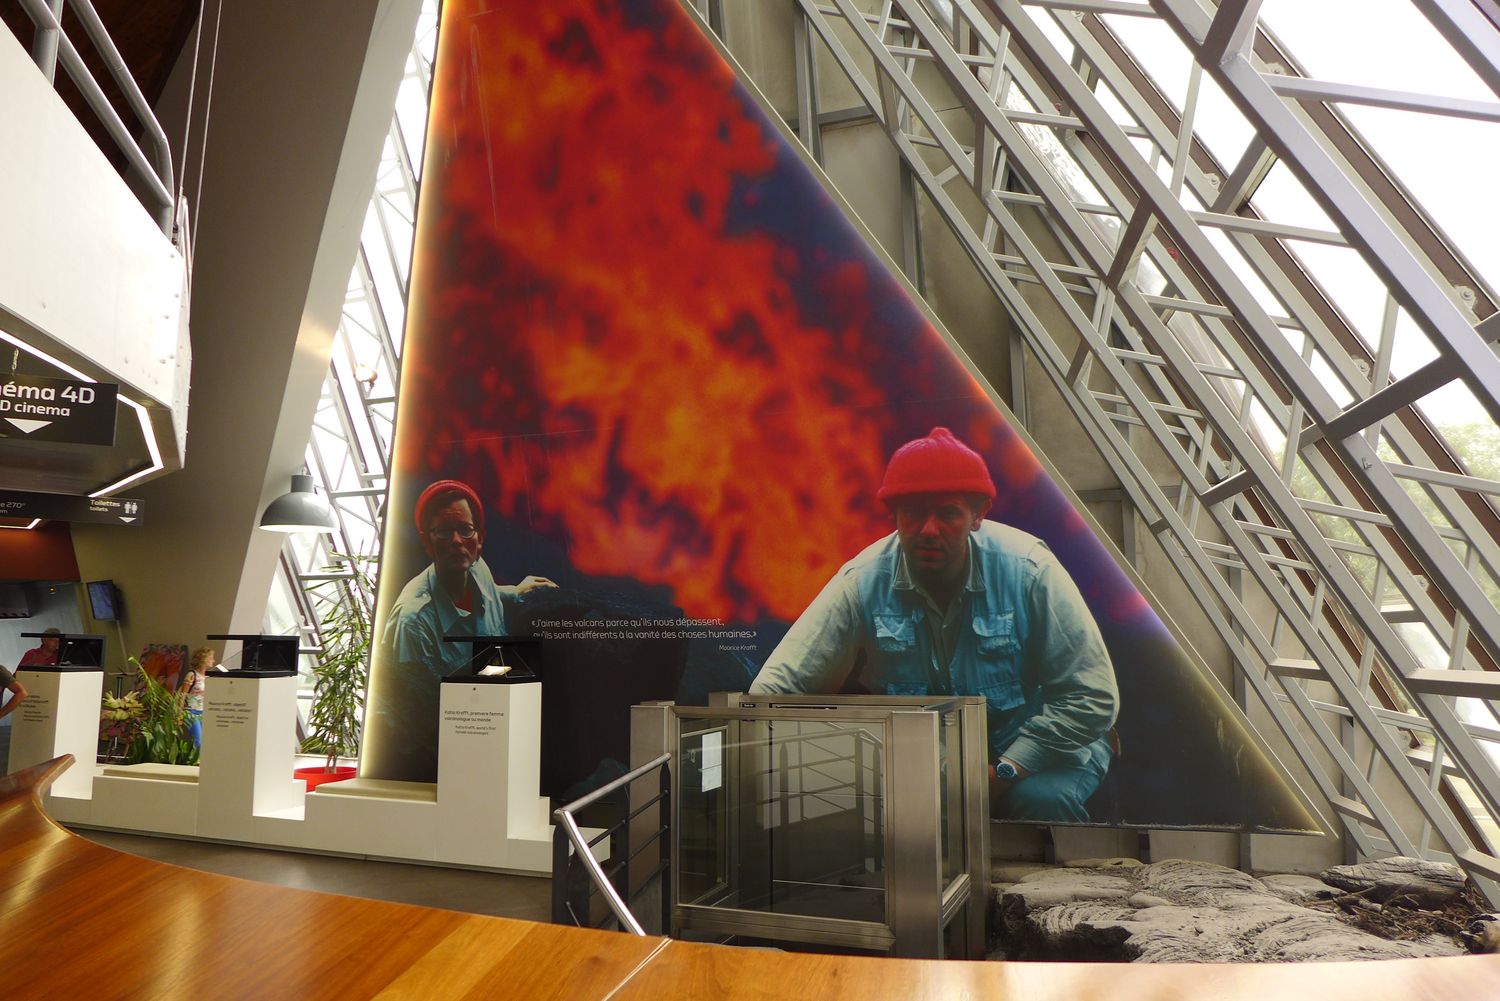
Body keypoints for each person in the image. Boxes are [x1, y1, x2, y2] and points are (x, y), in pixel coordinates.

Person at [749, 427, 1119, 822]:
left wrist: (1005, 771)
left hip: (1043, 750)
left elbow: (1092, 697)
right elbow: (771, 692)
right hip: (935, 766)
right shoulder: (861, 581)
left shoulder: (1029, 570)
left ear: (978, 516)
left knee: (1039, 802)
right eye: (913, 513)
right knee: (901, 815)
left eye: (947, 513)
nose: (929, 530)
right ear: (893, 516)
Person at [372, 479, 557, 779]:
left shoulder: (477, 568)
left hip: (493, 732)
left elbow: (489, 592)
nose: (457, 540)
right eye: (444, 531)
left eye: (465, 530)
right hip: (448, 760)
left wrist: (515, 592)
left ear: (479, 539)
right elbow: (412, 719)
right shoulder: (413, 623)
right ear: (427, 542)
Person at [182, 647, 213, 748]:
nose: (213, 661)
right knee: (198, 739)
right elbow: (183, 694)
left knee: (206, 739)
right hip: (192, 711)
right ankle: (196, 761)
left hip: (204, 711)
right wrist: (179, 712)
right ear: (203, 660)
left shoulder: (208, 677)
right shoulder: (192, 675)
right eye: (211, 658)